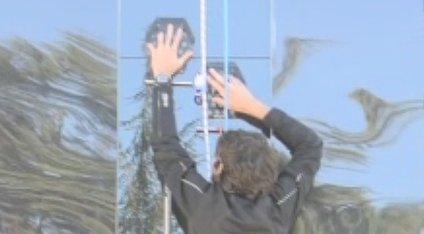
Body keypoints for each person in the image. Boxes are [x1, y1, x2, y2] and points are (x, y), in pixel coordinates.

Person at [147, 24, 323, 234]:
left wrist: (163, 79)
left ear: (218, 166)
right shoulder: (277, 211)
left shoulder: (204, 209)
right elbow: (310, 146)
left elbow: (166, 148)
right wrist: (252, 107)